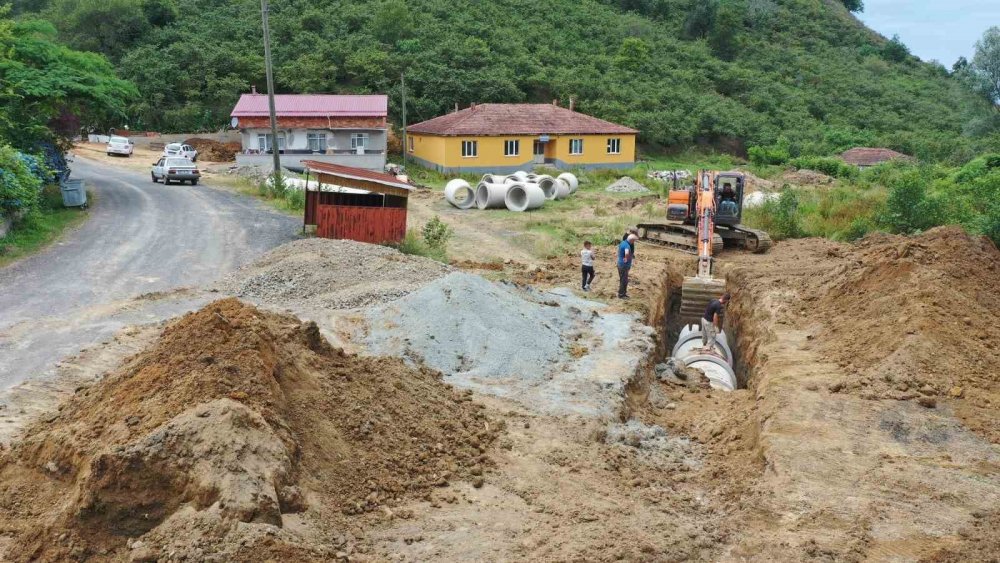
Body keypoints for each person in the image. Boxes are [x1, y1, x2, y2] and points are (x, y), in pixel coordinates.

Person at [617, 234, 637, 299]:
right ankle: (621, 295)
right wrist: (626, 258)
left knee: (623, 280)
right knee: (624, 281)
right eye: (634, 241)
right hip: (624, 266)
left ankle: (623, 293)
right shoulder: (627, 246)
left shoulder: (623, 242)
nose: (633, 242)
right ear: (631, 240)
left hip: (620, 264)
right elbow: (627, 253)